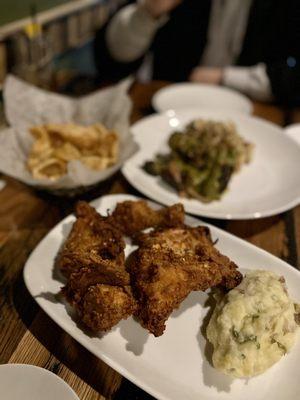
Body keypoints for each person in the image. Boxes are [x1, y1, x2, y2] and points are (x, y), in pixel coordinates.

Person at [94, 0, 300, 105]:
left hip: (257, 110)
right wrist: (147, 13)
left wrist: (226, 78)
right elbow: (110, 59)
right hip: (167, 106)